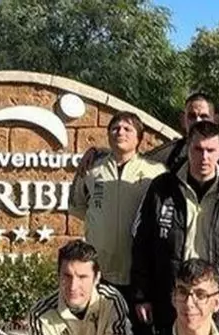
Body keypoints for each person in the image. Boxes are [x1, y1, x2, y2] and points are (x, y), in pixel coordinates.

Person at [131, 120, 219, 335]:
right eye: (198, 149)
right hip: (174, 302)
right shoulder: (161, 189)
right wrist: (141, 295)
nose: (204, 157)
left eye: (210, 150)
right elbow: (141, 245)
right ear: (188, 148)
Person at [69, 111, 166, 297]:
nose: (120, 132)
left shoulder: (155, 172)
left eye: (127, 129)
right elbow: (79, 207)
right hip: (100, 269)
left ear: (139, 138)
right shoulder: (90, 169)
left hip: (139, 271)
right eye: (115, 128)